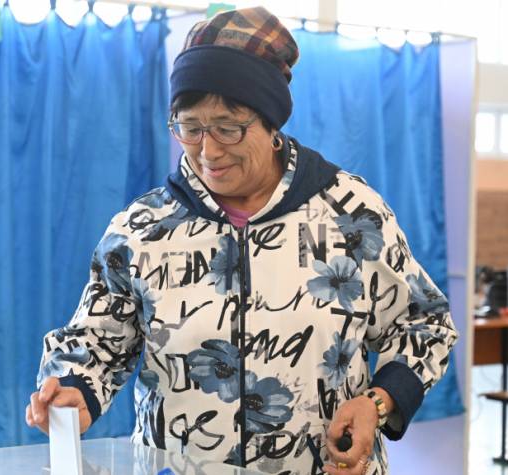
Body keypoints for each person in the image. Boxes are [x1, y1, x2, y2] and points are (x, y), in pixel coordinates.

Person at [25, 7, 457, 475]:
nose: (208, 151)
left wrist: (378, 401)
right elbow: (95, 340)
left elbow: (425, 324)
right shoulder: (143, 230)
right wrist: (75, 388)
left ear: (272, 124)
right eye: (190, 127)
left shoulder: (352, 214)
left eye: (228, 127)